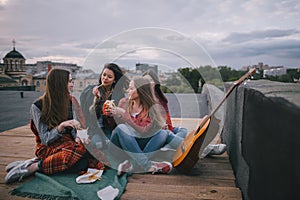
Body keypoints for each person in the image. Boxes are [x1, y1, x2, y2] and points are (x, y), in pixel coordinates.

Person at [5, 68, 106, 184]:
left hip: (67, 144)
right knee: (78, 161)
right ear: (60, 84)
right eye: (69, 82)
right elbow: (45, 139)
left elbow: (72, 132)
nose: (72, 85)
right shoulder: (37, 106)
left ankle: (41, 162)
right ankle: (33, 167)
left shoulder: (68, 100)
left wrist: (78, 138)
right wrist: (61, 126)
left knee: (91, 155)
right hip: (48, 147)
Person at [107, 77, 182, 175]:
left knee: (163, 133)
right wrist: (110, 116)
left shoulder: (150, 107)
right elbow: (116, 129)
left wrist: (125, 115)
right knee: (122, 128)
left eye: (131, 88)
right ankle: (147, 166)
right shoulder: (124, 103)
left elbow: (144, 131)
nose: (127, 91)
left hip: (137, 148)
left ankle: (133, 165)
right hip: (119, 148)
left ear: (140, 91)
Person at [143, 69, 226, 157]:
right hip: (156, 132)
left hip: (166, 129)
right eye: (145, 81)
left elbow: (167, 118)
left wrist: (169, 130)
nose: (148, 83)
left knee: (182, 130)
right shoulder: (143, 98)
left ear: (155, 82)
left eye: (150, 80)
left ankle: (168, 147)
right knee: (170, 135)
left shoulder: (160, 97)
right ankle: (204, 149)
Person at [80, 63, 129, 149]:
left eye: (109, 77)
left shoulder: (118, 95)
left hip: (108, 128)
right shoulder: (91, 90)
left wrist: (113, 113)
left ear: (114, 80)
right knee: (98, 144)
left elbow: (118, 119)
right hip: (94, 128)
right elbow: (85, 111)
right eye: (104, 75)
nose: (105, 78)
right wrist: (93, 97)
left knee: (110, 145)